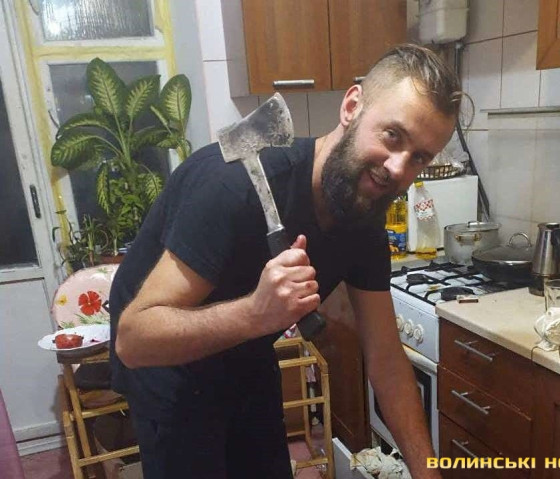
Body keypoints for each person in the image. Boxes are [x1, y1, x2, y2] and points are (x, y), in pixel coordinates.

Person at [110, 43, 461, 478]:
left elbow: (387, 359)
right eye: (393, 136)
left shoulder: (364, 216)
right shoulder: (231, 185)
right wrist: (255, 314)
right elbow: (134, 340)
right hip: (168, 368)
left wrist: (428, 473)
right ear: (352, 106)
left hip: (248, 353)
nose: (397, 168)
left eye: (419, 157)